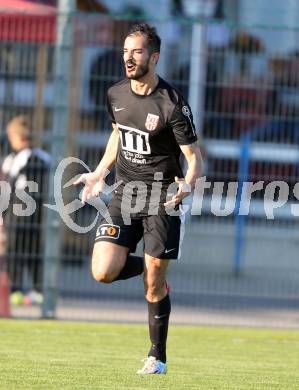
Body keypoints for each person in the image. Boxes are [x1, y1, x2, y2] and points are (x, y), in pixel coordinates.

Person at [74, 23, 202, 374]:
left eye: (137, 51)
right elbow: (118, 135)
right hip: (124, 194)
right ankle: (151, 271)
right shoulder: (116, 94)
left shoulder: (172, 103)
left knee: (153, 283)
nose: (129, 58)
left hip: (163, 199)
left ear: (154, 56)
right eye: (126, 51)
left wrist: (187, 185)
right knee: (102, 271)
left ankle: (157, 356)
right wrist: (100, 172)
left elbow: (194, 159)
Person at [1, 115, 50, 302]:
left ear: (17, 136)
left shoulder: (17, 159)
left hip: (17, 212)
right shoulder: (42, 156)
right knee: (32, 251)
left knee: (16, 251)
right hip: (36, 213)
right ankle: (35, 291)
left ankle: (16, 291)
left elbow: (8, 188)